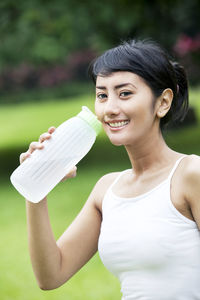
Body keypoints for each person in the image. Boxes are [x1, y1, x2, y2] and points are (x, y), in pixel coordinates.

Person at [20, 39, 200, 300]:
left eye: (124, 93)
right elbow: (51, 275)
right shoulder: (107, 190)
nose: (110, 109)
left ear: (163, 102)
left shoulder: (191, 175)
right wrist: (36, 185)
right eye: (102, 95)